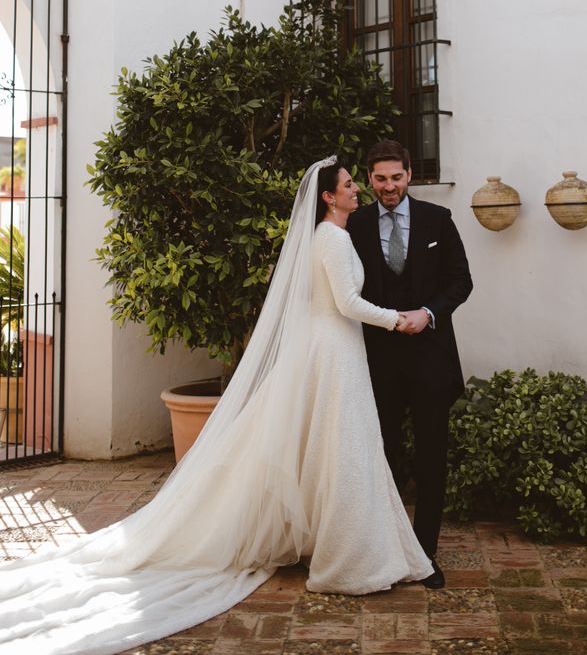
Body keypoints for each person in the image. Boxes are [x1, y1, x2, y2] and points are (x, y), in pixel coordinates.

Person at [0, 157, 434, 655]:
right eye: (350, 185)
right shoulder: (332, 239)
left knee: (341, 445)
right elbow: (347, 305)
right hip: (334, 349)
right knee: (345, 446)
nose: (359, 190)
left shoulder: (333, 237)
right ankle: (352, 560)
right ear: (328, 198)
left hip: (336, 348)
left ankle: (350, 545)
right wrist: (397, 319)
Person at [347, 140, 473, 589]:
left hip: (431, 360)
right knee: (383, 455)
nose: (388, 186)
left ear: (409, 176)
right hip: (377, 362)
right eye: (380, 178)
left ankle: (426, 553)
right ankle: (386, 548)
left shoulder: (438, 220)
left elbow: (462, 280)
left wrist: (429, 313)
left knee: (431, 456)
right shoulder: (355, 224)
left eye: (396, 177)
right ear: (369, 179)